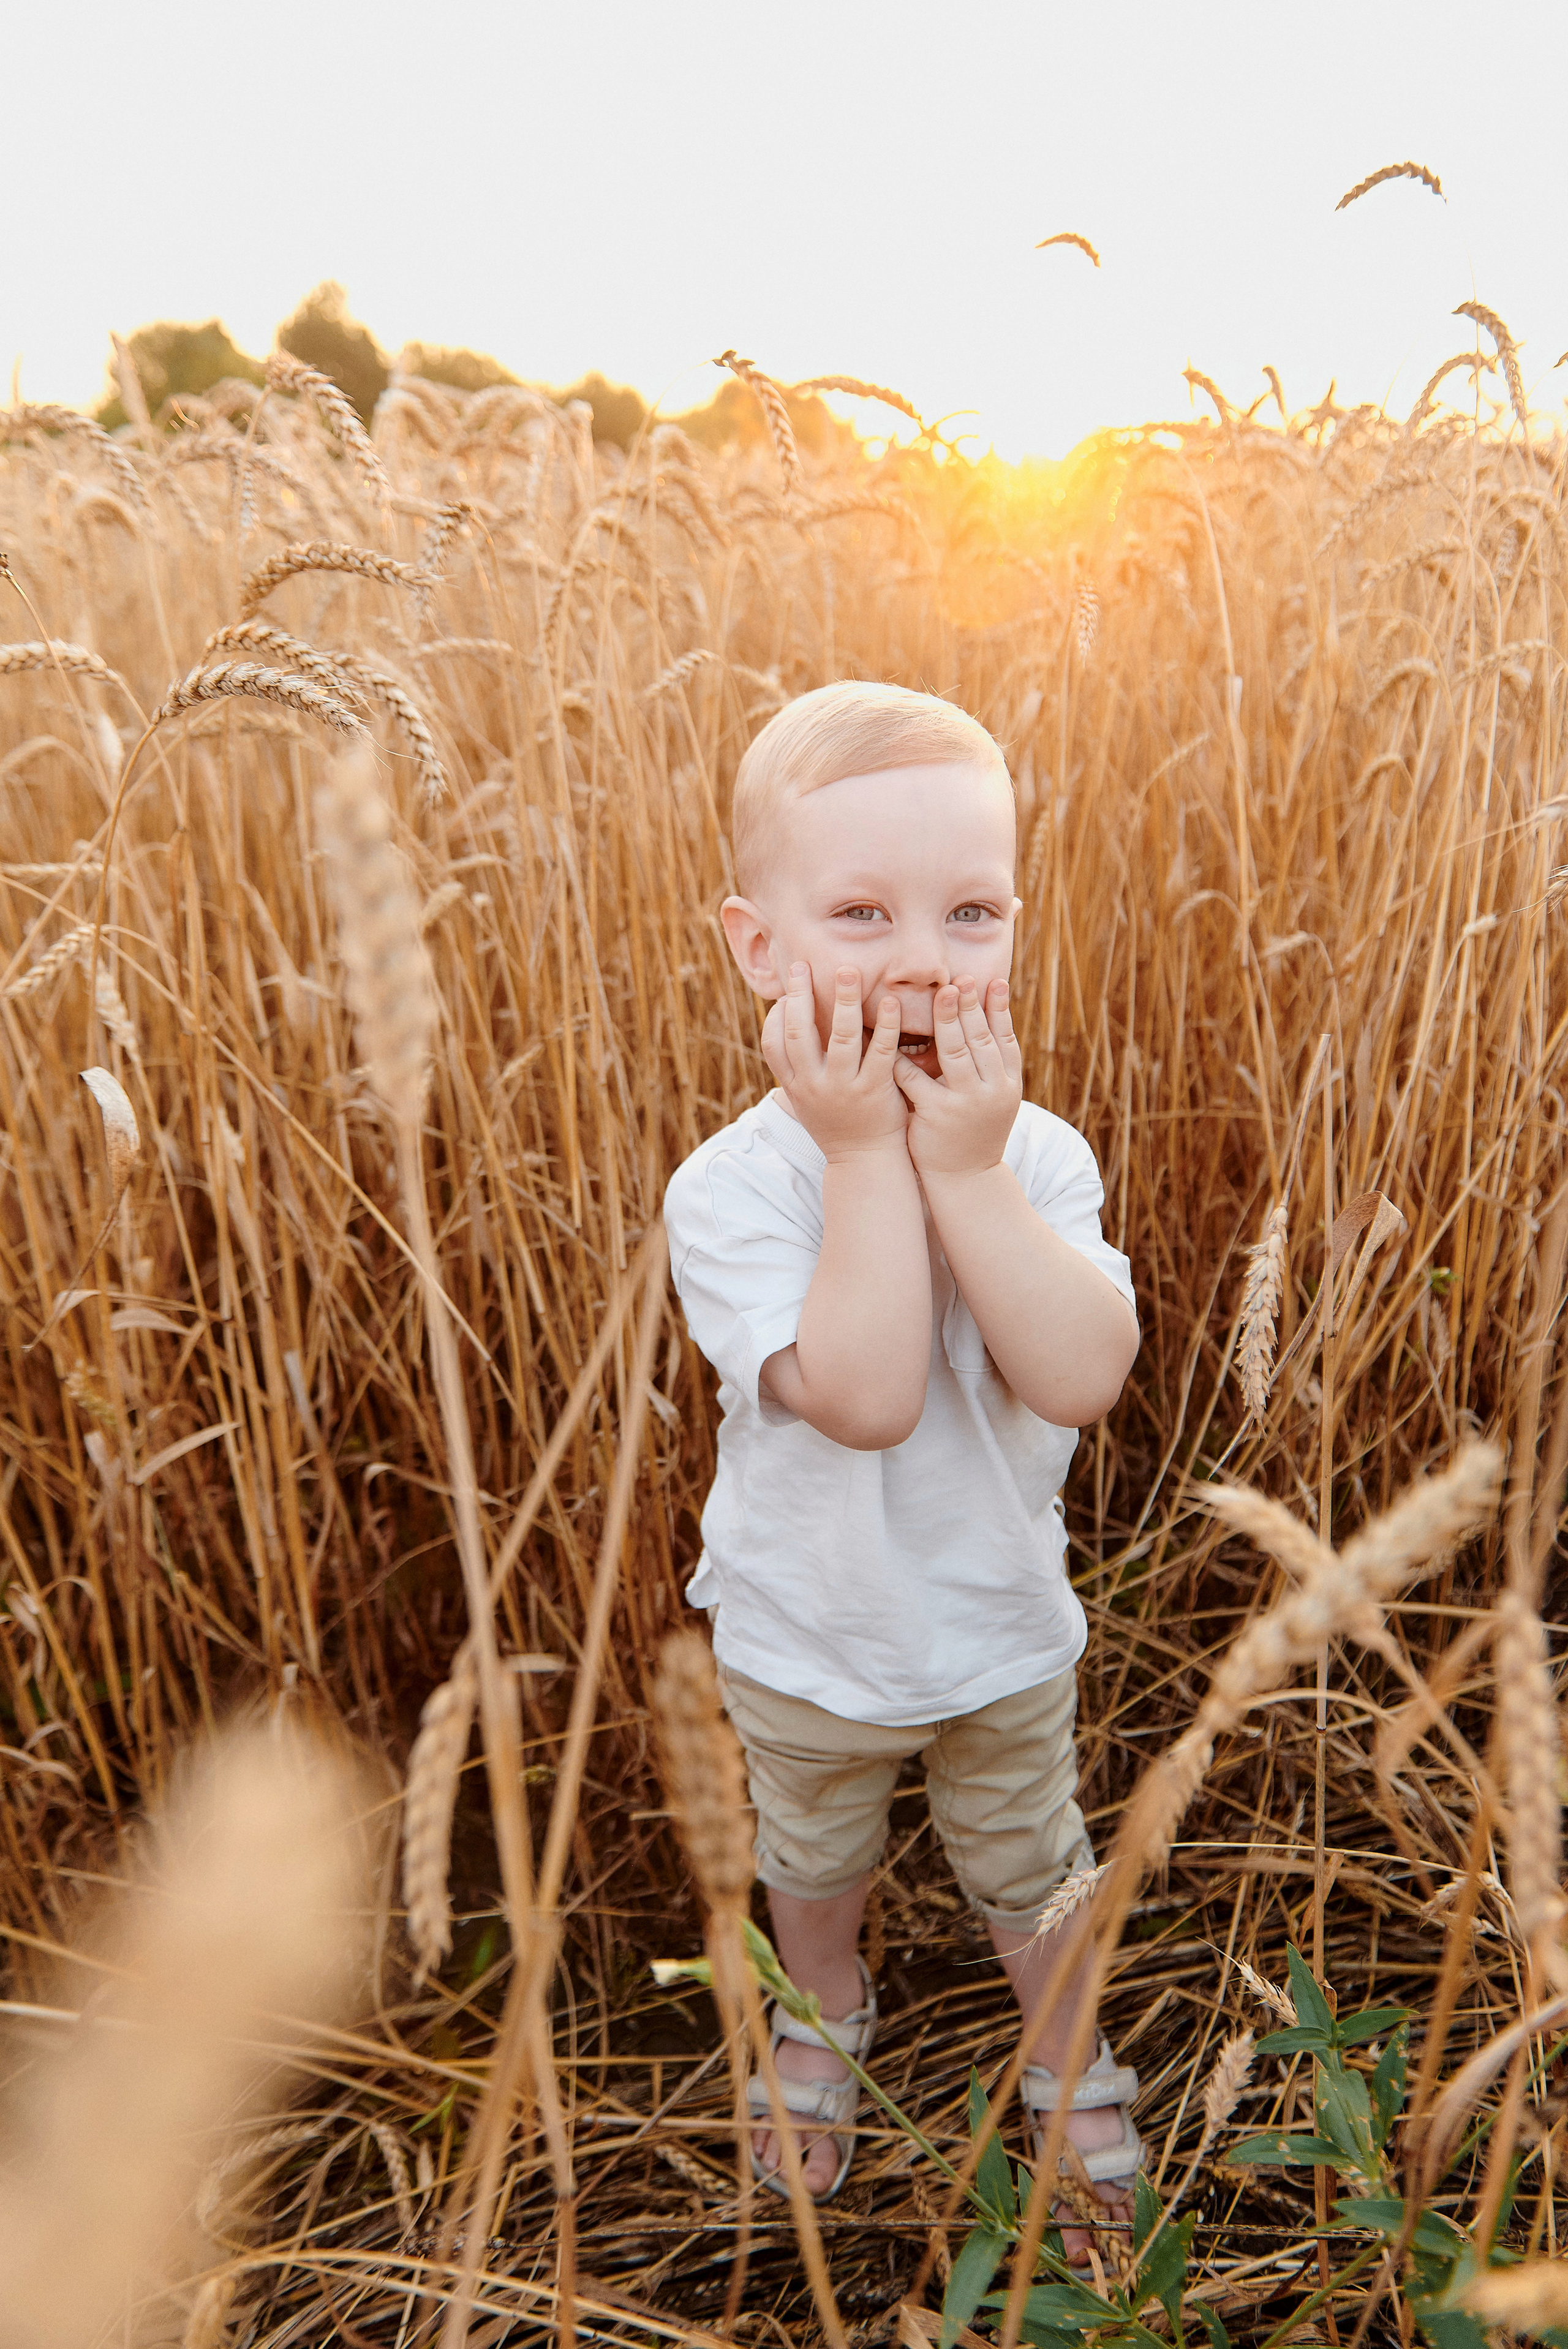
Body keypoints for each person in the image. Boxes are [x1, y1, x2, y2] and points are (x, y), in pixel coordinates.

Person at [663, 681, 1142, 2250]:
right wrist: (870, 1153)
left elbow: (1078, 1375)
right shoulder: (736, 1190)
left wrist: (964, 1172)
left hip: (998, 1627)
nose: (928, 958)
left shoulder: (1036, 1153)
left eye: (972, 910)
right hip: (812, 1634)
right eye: (859, 912)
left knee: (1033, 1862)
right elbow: (860, 1396)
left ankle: (1068, 2061)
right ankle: (825, 2013)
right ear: (756, 946)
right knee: (812, 1855)